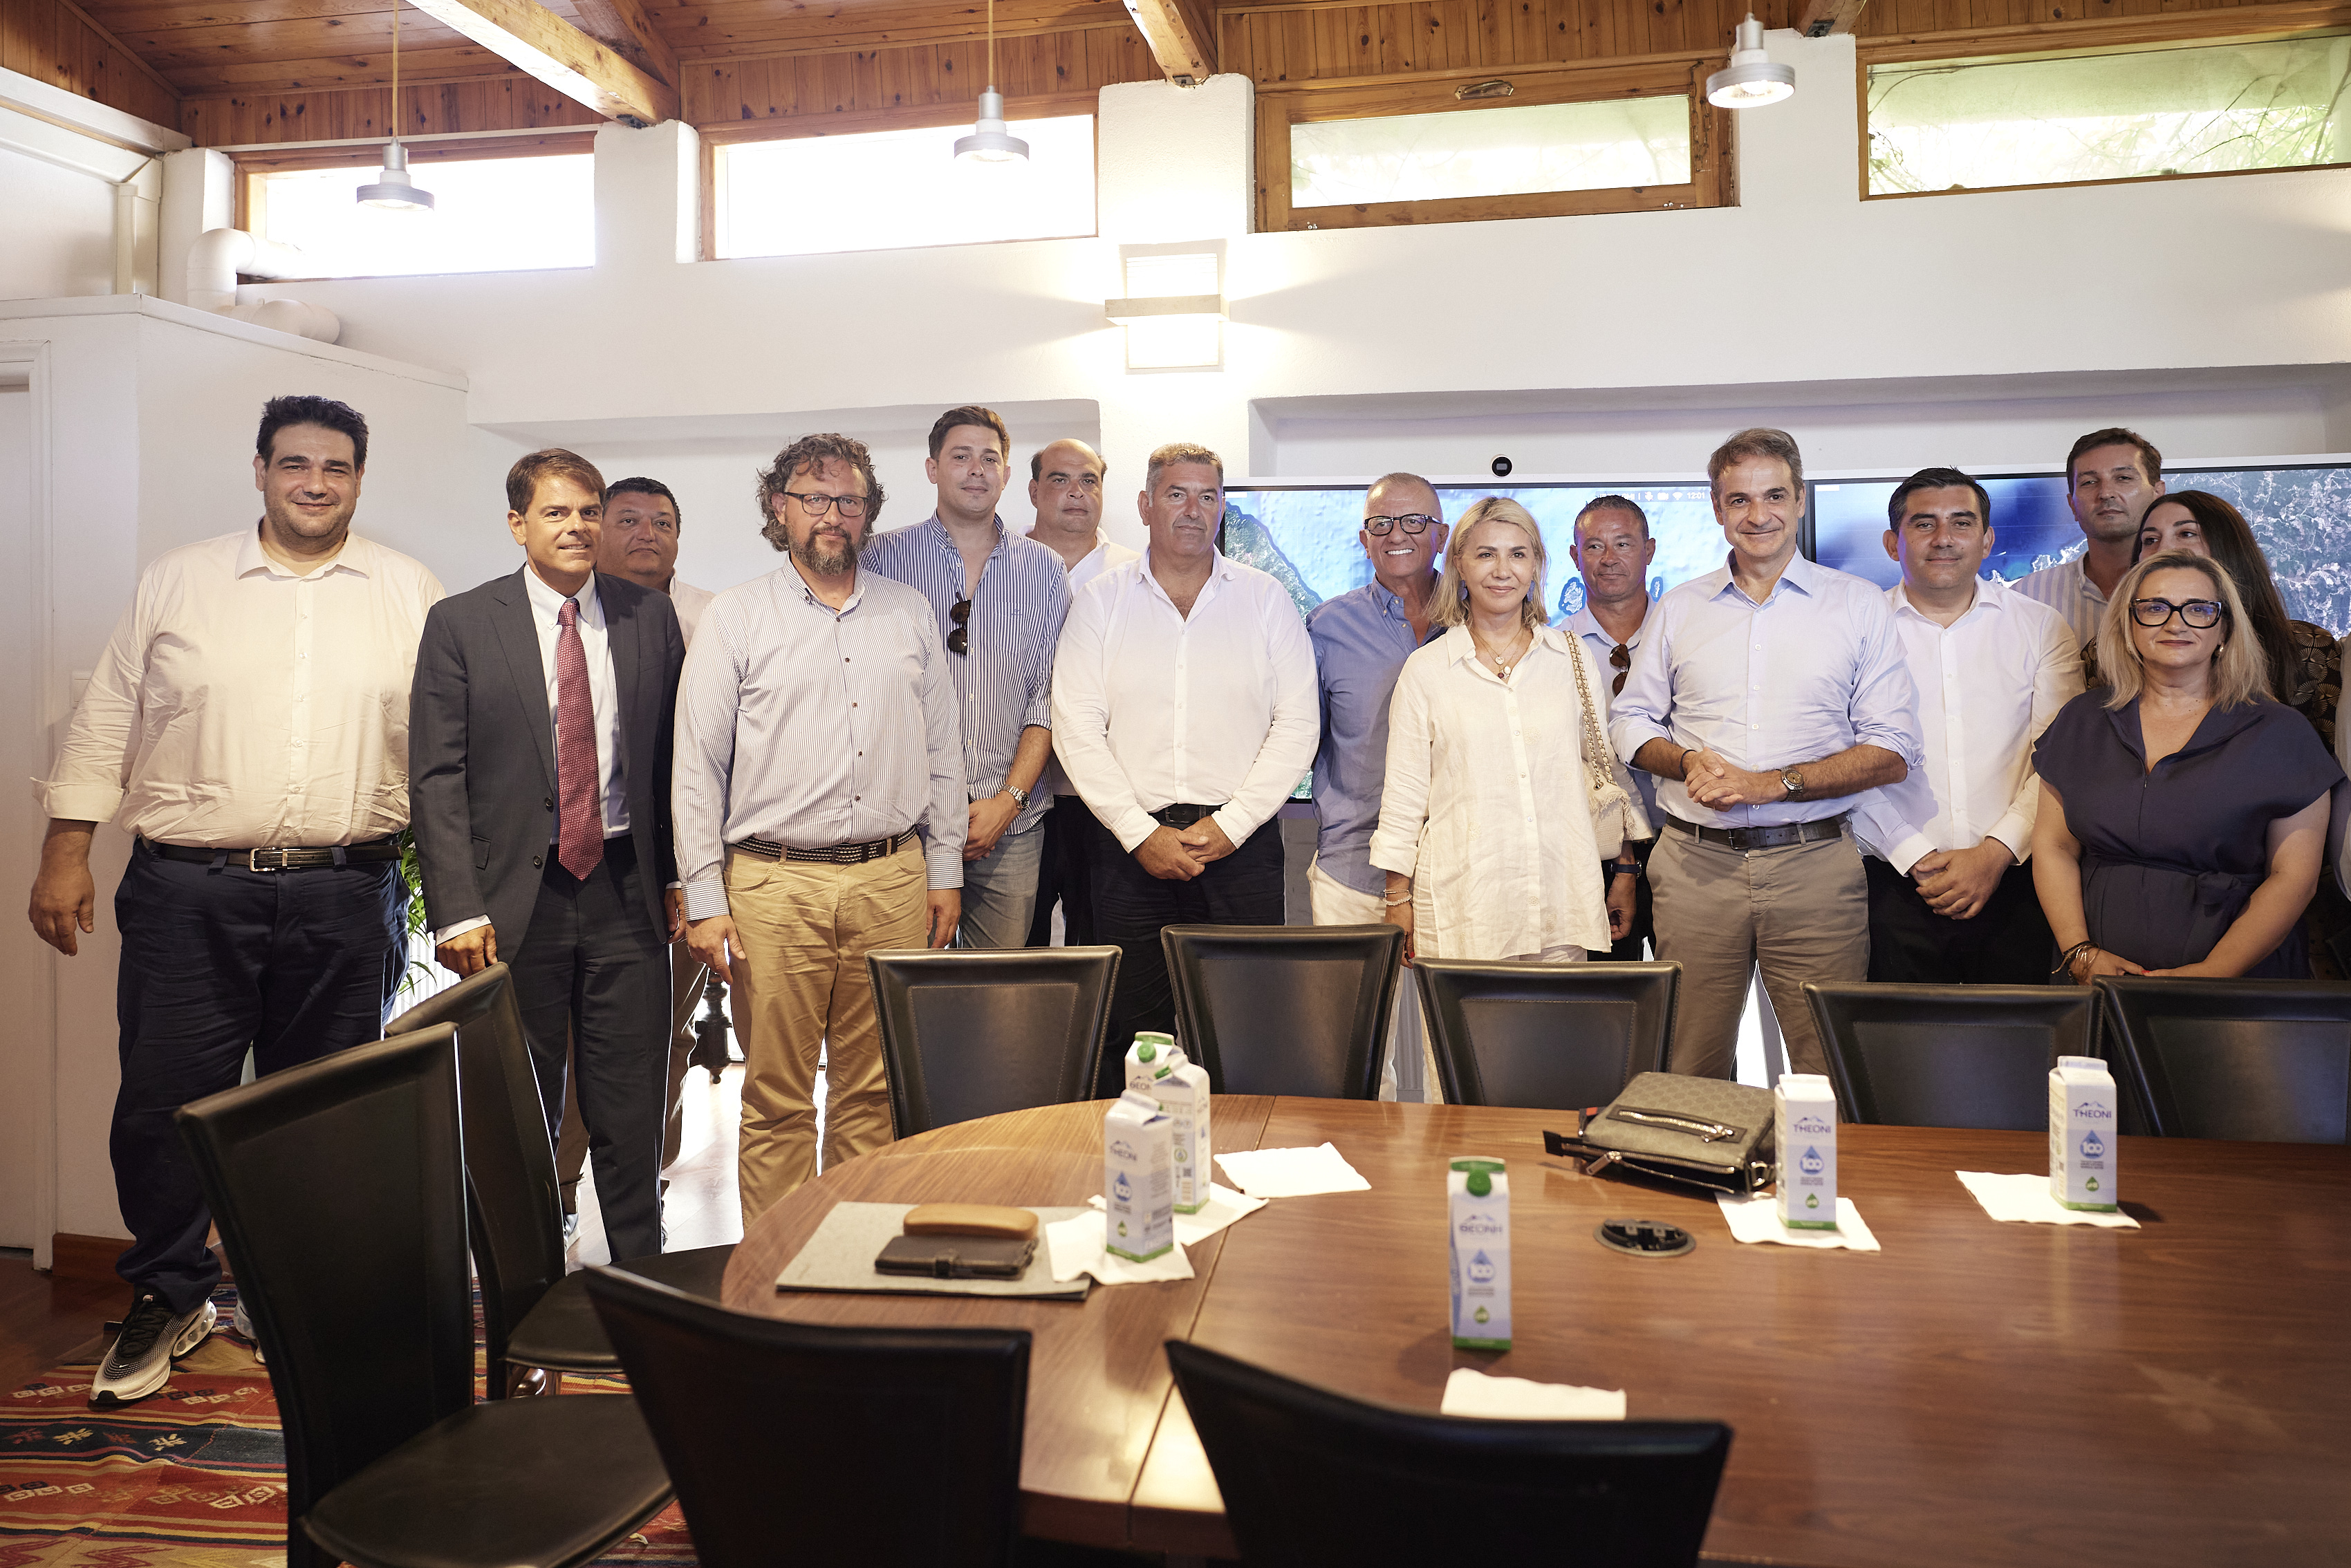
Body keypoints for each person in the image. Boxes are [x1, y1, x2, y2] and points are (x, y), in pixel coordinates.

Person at [28, 395, 443, 1407]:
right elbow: (107, 718)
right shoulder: (181, 580)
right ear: (260, 470)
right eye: (294, 463)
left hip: (348, 891)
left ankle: (285, 1293)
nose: (314, 483)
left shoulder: (409, 591)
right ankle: (171, 1294)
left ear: (359, 479)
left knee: (321, 1111)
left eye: (335, 467)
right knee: (165, 1103)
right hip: (187, 893)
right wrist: (65, 849)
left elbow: (446, 752)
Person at [674, 433, 963, 1223]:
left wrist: (944, 870)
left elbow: (943, 752)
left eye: (850, 501)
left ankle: (854, 1253)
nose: (833, 515)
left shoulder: (908, 613)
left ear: (868, 512)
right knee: (777, 1093)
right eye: (815, 498)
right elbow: (696, 765)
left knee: (875, 1089)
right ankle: (780, 1264)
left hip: (892, 879)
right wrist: (705, 898)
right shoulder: (736, 617)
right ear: (781, 508)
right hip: (774, 886)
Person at [411, 449, 685, 1265]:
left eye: (589, 511)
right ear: (517, 524)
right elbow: (436, 774)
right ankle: (525, 1284)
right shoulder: (462, 622)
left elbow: (673, 760)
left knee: (630, 1100)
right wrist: (456, 908)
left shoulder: (648, 617)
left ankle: (641, 1275)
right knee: (519, 1103)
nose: (577, 527)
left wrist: (680, 875)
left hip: (626, 890)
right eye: (557, 512)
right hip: (508, 902)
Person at [1610, 428, 1922, 1081]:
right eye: (1740, 500)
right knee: (1688, 1069)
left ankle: (1820, 1158)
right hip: (1694, 868)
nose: (1758, 515)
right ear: (1718, 509)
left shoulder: (1858, 605)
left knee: (1828, 1070)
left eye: (1774, 496)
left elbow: (1893, 749)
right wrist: (1686, 762)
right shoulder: (1680, 608)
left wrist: (1772, 784)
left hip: (1815, 868)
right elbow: (1630, 720)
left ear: (1800, 499)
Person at [1052, 442, 1317, 1092]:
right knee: (1135, 1034)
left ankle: (1244, 1152)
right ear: (1146, 505)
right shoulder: (1100, 602)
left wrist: (1232, 824)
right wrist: (1139, 833)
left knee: (1247, 1029)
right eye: (1176, 495)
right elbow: (1076, 727)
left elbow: (1298, 724)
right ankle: (1148, 1153)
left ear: (1222, 507)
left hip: (1241, 850)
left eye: (1207, 496)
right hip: (1128, 849)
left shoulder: (1265, 599)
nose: (1192, 510)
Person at [536, 476, 718, 1235]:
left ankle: (646, 1191)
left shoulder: (714, 617)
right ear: (597, 532)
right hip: (563, 873)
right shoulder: (558, 616)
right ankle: (556, 1188)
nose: (648, 533)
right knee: (565, 1041)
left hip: (675, 871)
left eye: (663, 522)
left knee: (662, 1040)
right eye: (629, 520)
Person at [2034, 551, 2341, 981]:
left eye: (2199, 609)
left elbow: (2294, 878)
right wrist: (2080, 952)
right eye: (2154, 608)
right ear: (2128, 624)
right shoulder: (2082, 719)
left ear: (2225, 627)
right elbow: (2054, 846)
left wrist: (2214, 973)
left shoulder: (2282, 733)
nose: (2175, 624)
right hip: (2091, 976)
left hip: (2236, 986)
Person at [1371, 497, 1646, 968]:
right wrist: (1398, 899)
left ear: (1536, 564)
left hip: (1561, 901)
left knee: (1559, 1020)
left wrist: (1625, 870)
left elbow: (1607, 773)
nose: (1503, 571)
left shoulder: (1570, 657)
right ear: (1459, 564)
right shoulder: (1427, 670)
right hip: (1466, 907)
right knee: (1463, 1021)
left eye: (1518, 554)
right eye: (1486, 554)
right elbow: (1404, 796)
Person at [1850, 468, 2083, 984]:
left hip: (2018, 880)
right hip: (1887, 881)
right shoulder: (1854, 632)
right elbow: (1840, 757)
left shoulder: (2040, 627)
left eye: (1961, 522)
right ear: (1892, 543)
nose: (1944, 538)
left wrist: (1995, 853)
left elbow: (2061, 760)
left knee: (2018, 1032)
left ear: (1987, 539)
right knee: (1893, 1033)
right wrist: (1913, 854)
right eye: (1924, 524)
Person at [866, 408, 1069, 949]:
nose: (977, 470)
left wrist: (1009, 801)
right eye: (961, 457)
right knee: (905, 987)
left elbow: (1048, 697)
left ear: (1007, 474)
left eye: (990, 459)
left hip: (1010, 828)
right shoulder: (880, 560)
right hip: (906, 827)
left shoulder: (1045, 569)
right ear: (933, 468)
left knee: (996, 990)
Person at [2133, 489, 2350, 978]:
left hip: (2282, 890)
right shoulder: (2110, 662)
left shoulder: (2306, 649)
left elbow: (2322, 779)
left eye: (2187, 533)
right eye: (2150, 539)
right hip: (2138, 901)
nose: (2166, 548)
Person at [1305, 473, 1449, 1099]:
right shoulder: (1326, 627)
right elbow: (1297, 739)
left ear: (1442, 534)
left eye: (1414, 521)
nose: (1397, 535)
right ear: (1363, 539)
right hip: (1353, 871)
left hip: (1457, 875)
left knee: (1458, 1066)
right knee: (1355, 1067)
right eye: (1381, 524)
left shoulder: (1483, 621)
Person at [1024, 438, 1135, 948]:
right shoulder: (1003, 567)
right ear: (1033, 491)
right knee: (1018, 947)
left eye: (1089, 480)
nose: (1076, 492)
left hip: (1106, 796)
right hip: (1017, 793)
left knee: (1102, 945)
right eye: (1060, 479)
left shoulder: (1137, 573)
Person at [1565, 495, 1662, 960]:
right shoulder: (1554, 647)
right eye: (1594, 546)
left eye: (1623, 544)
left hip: (1689, 845)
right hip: (1596, 852)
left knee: (1690, 994)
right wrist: (1624, 863)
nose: (1608, 559)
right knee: (1604, 995)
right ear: (1575, 556)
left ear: (1649, 550)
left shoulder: (1685, 634)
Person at [2017, 427, 2166, 675]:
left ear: (2158, 493)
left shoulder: (2198, 593)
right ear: (2072, 505)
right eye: (2089, 482)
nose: (2106, 493)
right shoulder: (2028, 596)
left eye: (2123, 478)